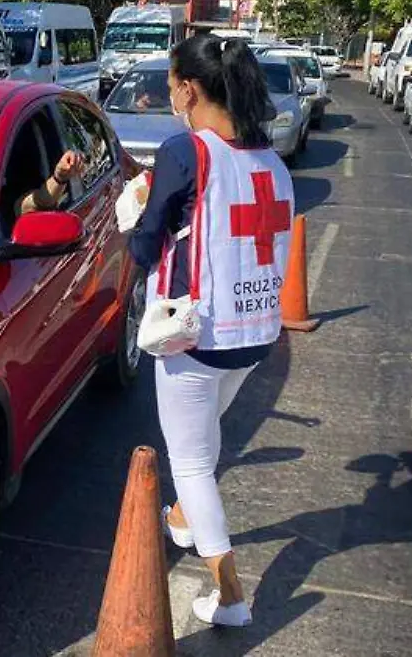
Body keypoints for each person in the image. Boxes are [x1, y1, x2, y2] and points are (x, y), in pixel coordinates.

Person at [128, 35, 294, 628]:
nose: (168, 94)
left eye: (171, 84)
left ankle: (230, 597)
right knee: (204, 438)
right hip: (256, 334)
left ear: (189, 89)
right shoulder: (268, 159)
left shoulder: (186, 151)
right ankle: (181, 520)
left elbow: (147, 244)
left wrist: (135, 217)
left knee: (192, 462)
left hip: (197, 334)